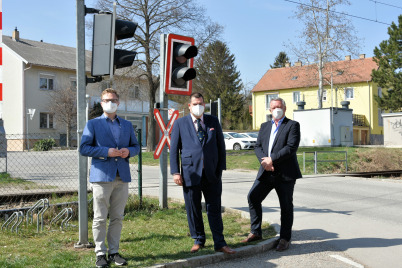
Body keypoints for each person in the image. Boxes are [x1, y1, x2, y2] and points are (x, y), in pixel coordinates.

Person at [80, 88, 140, 268]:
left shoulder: (127, 125)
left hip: (122, 176)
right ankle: (100, 253)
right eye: (107, 100)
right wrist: (105, 152)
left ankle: (114, 252)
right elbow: (84, 148)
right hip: (101, 176)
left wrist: (129, 151)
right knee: (99, 217)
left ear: (119, 103)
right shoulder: (93, 124)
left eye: (113, 100)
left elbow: (136, 146)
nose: (110, 103)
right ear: (101, 103)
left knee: (117, 217)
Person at [170, 92, 236, 255]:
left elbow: (221, 146)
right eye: (195, 104)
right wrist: (175, 172)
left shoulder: (213, 121)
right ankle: (198, 239)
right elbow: (174, 150)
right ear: (189, 106)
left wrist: (220, 169)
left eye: (201, 103)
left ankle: (219, 242)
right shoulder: (180, 123)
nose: (198, 106)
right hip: (190, 173)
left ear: (204, 105)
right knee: (193, 208)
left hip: (212, 173)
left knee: (214, 208)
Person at [241, 97, 302, 252]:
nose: (276, 109)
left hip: (285, 173)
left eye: (279, 106)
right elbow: (258, 146)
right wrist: (264, 162)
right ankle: (255, 232)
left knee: (286, 206)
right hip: (266, 172)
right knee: (253, 197)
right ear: (269, 110)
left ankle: (284, 239)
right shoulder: (265, 126)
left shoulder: (292, 125)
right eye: (273, 107)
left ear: (285, 108)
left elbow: (290, 147)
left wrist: (272, 159)